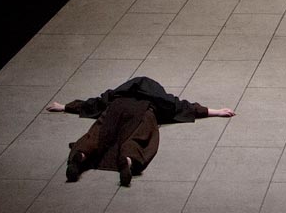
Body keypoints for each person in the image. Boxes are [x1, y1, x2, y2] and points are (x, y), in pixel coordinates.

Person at [46, 77, 234, 186]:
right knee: (136, 138)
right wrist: (217, 111)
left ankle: (81, 155)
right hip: (144, 112)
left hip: (115, 109)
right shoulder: (157, 99)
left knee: (96, 135)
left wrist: (64, 107)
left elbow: (92, 104)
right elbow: (185, 107)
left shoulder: (117, 95)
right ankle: (126, 161)